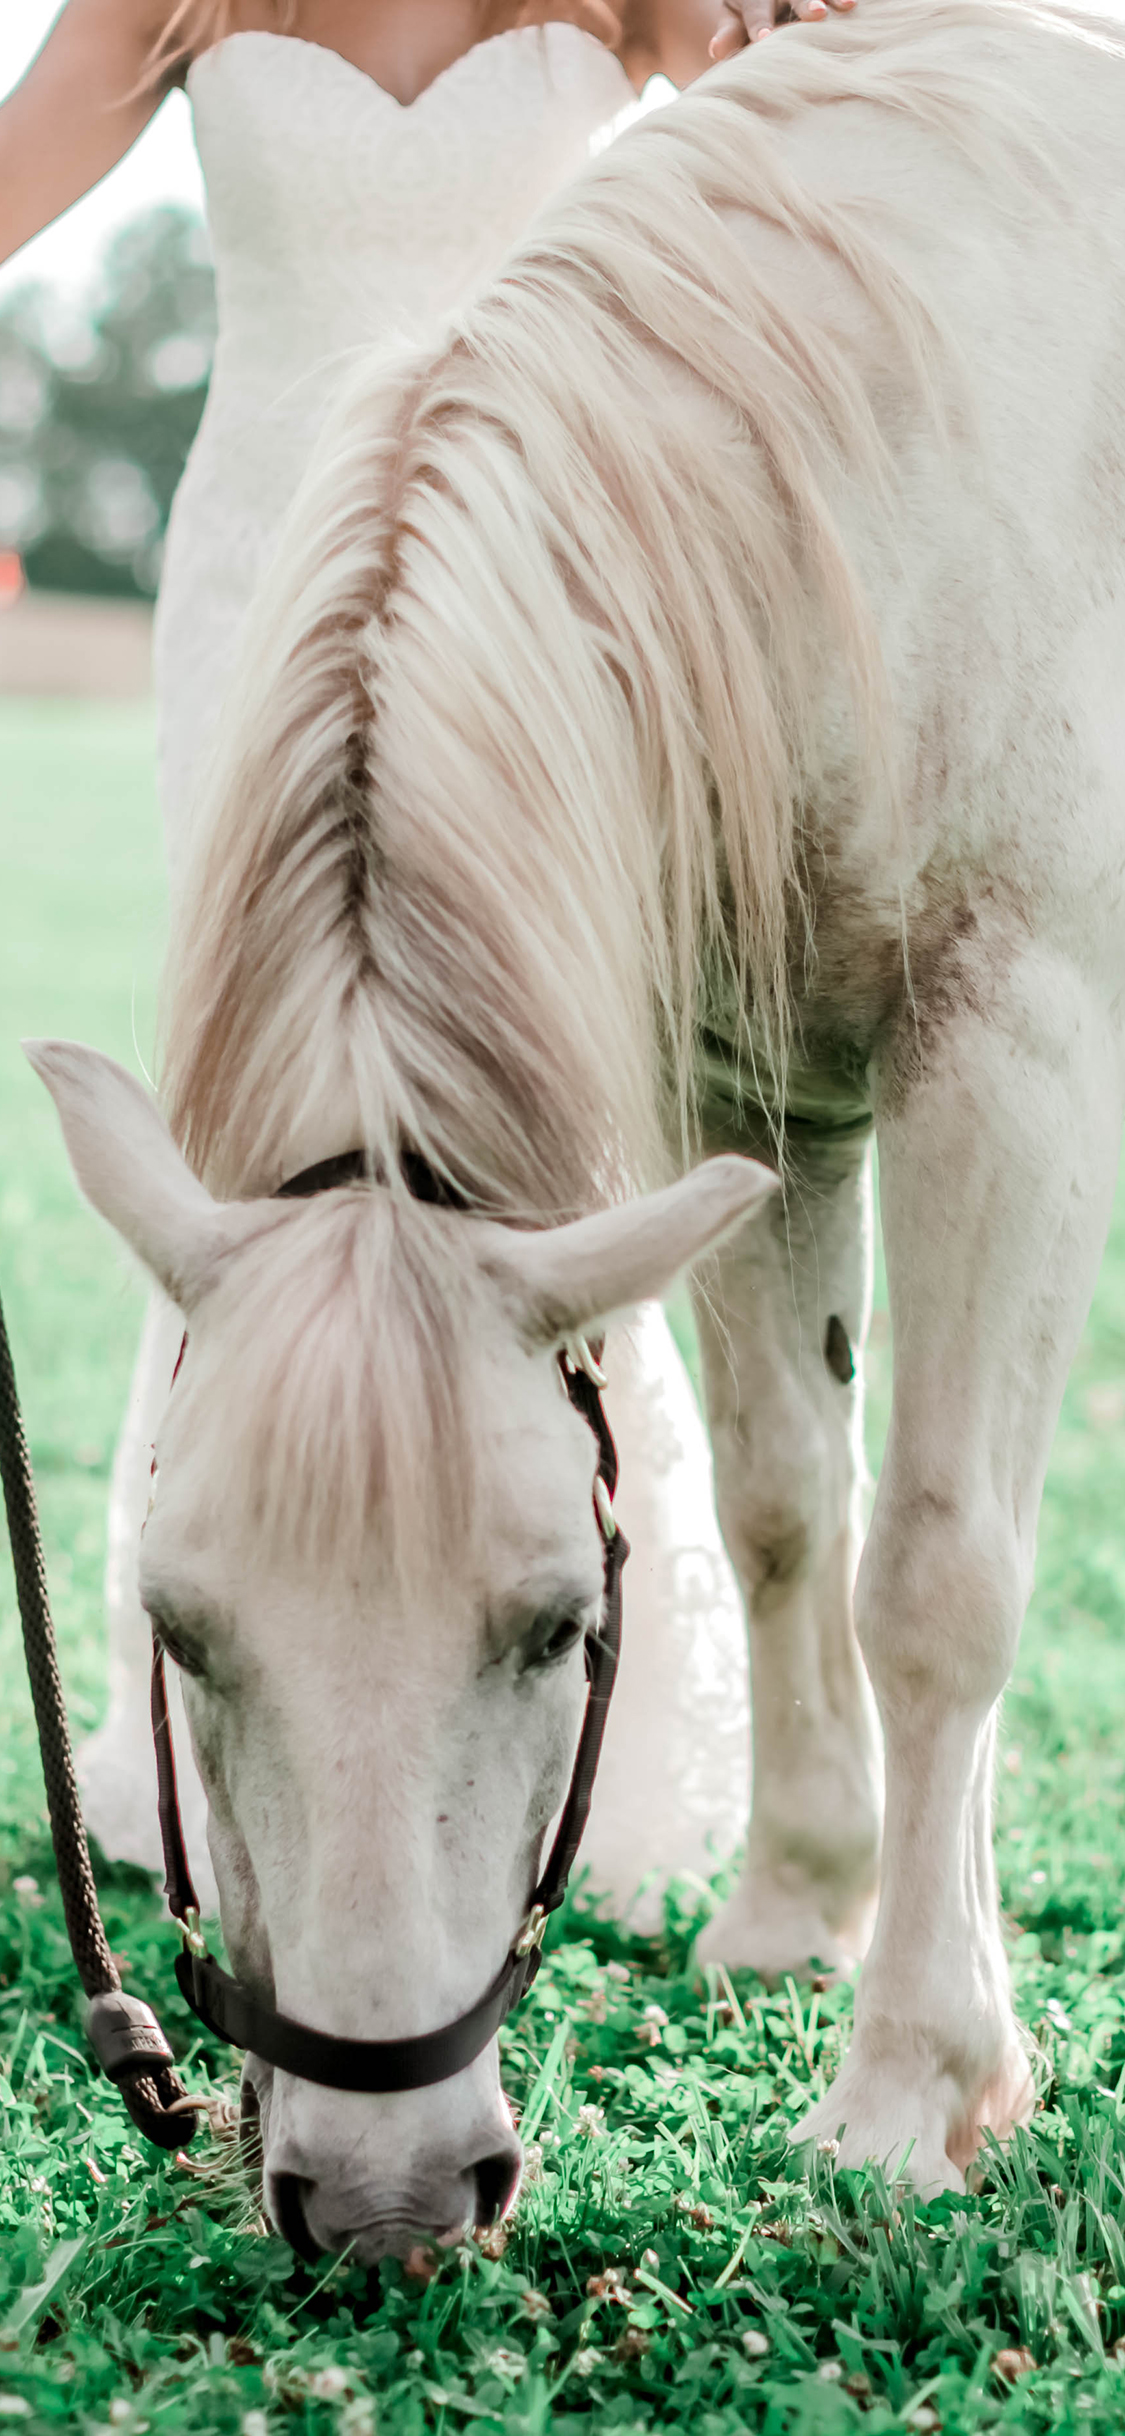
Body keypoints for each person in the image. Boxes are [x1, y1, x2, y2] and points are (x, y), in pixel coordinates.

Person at [0, 0, 855, 1916]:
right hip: (253, 600)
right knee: (260, 1128)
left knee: (536, 1102)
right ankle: (237, 1689)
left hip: (540, 595)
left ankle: (587, 1733)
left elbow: (812, 171)